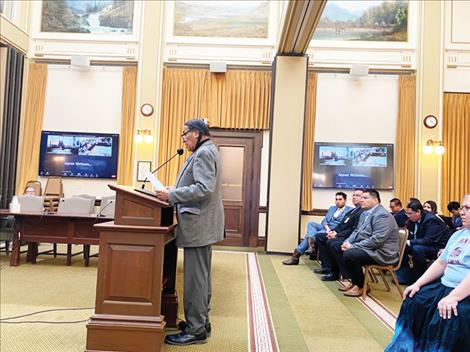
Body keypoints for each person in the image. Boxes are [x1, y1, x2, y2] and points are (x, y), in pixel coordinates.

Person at [155, 118, 224, 346]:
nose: (183, 138)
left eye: (185, 134)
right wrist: (175, 189)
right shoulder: (206, 150)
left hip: (199, 225)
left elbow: (204, 189)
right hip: (202, 224)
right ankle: (201, 322)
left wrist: (172, 195)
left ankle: (196, 330)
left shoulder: (204, 153)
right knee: (201, 277)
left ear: (197, 133)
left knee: (195, 279)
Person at [385, 195, 470, 352]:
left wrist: (453, 297)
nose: (462, 212)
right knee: (414, 299)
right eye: (462, 208)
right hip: (445, 286)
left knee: (448, 316)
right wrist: (417, 283)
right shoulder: (458, 235)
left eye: (468, 208)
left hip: (464, 292)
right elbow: (441, 263)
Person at [331, 189, 399, 297]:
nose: (361, 200)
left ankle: (361, 285)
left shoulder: (382, 215)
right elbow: (357, 231)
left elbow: (377, 240)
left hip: (382, 253)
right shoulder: (365, 213)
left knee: (350, 254)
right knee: (338, 247)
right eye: (361, 198)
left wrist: (352, 246)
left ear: (375, 200)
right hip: (371, 248)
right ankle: (354, 281)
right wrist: (347, 242)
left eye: (365, 198)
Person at [282, 192, 351, 265]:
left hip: (334, 230)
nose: (337, 201)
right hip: (326, 227)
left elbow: (343, 225)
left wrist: (330, 231)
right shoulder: (332, 208)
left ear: (345, 200)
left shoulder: (349, 210)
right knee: (311, 224)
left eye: (340, 199)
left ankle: (296, 256)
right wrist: (327, 228)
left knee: (313, 235)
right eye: (336, 199)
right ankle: (311, 244)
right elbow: (324, 220)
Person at [396, 200, 453, 284]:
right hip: (425, 244)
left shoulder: (431, 220)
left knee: (417, 249)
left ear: (418, 212)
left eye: (410, 213)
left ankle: (420, 279)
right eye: (407, 213)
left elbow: (429, 240)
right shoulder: (412, 220)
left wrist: (410, 242)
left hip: (439, 247)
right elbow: (410, 234)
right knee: (403, 247)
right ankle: (404, 277)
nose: (408, 216)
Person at [314, 189, 365, 280]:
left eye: (357, 195)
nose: (354, 197)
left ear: (363, 198)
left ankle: (339, 273)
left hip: (349, 237)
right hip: (341, 233)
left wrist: (336, 235)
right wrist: (333, 232)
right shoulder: (353, 211)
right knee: (320, 236)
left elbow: (353, 229)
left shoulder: (362, 212)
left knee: (333, 243)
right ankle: (327, 267)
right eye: (353, 195)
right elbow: (342, 224)